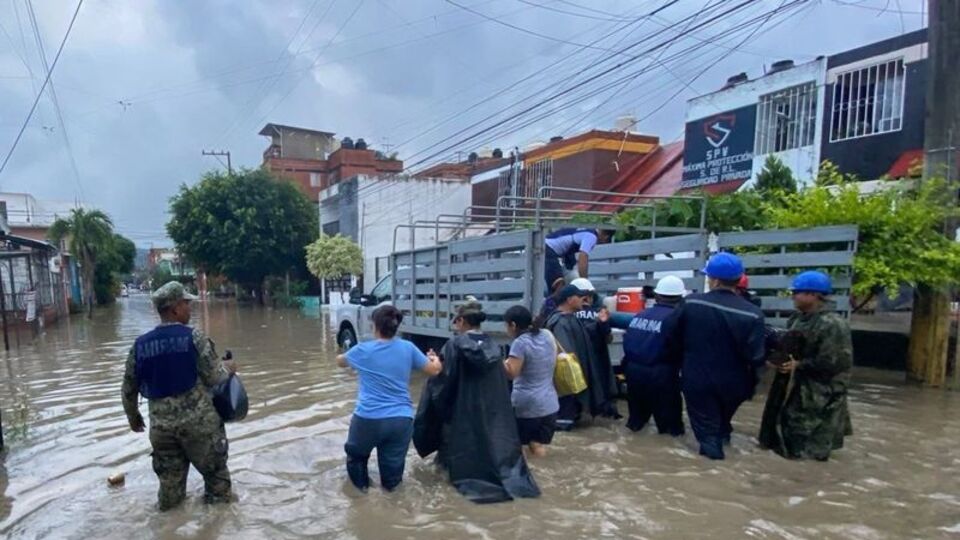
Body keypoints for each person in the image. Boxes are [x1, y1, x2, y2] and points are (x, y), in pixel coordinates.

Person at [121, 281, 237, 511]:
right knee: (218, 487)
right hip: (200, 428)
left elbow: (128, 388)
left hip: (162, 431)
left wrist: (133, 418)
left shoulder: (140, 345)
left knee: (170, 495)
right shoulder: (193, 337)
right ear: (174, 308)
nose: (189, 307)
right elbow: (216, 378)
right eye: (186, 303)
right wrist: (230, 368)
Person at [414, 302, 539, 504]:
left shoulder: (454, 345)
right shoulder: (494, 346)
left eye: (455, 321)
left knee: (448, 462)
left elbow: (444, 383)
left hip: (461, 414)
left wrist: (435, 363)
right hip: (489, 413)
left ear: (462, 320)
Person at [665, 253, 765, 460]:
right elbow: (756, 356)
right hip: (736, 385)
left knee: (707, 435)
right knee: (722, 424)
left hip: (699, 381)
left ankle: (714, 474)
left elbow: (669, 334)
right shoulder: (753, 313)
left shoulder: (691, 303)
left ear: (715, 280)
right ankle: (725, 448)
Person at [336, 305, 442, 492]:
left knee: (356, 457)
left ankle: (361, 499)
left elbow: (340, 362)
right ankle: (393, 508)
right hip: (400, 420)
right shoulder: (408, 348)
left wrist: (348, 353)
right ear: (396, 327)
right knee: (393, 479)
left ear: (374, 326)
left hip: (367, 419)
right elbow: (434, 371)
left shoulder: (362, 350)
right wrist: (435, 359)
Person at [759, 271, 853, 461]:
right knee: (787, 435)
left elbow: (835, 361)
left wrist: (798, 365)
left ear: (813, 294)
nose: (793, 296)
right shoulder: (797, 319)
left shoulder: (833, 324)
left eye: (797, 292)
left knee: (813, 446)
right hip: (795, 389)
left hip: (822, 395)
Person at [545, 284, 619, 430]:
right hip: (567, 389)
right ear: (569, 299)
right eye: (579, 297)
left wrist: (601, 323)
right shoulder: (559, 322)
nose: (583, 300)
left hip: (575, 385)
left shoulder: (570, 318)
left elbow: (585, 335)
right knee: (565, 423)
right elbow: (564, 360)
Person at [622, 276, 685, 436]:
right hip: (661, 374)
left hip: (633, 373)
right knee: (670, 431)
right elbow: (680, 348)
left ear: (657, 296)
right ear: (680, 297)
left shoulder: (640, 315)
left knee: (636, 424)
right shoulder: (677, 318)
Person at [503, 305, 559, 458]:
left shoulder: (520, 343)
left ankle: (528, 479)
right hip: (550, 405)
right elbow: (558, 354)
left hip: (527, 407)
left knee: (520, 449)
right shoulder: (547, 334)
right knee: (538, 445)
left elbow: (511, 373)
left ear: (513, 325)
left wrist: (498, 360)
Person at [543, 228, 613, 294]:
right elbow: (583, 257)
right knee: (558, 286)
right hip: (549, 248)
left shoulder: (586, 230)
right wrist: (585, 283)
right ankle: (551, 304)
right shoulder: (591, 237)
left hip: (552, 246)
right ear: (606, 238)